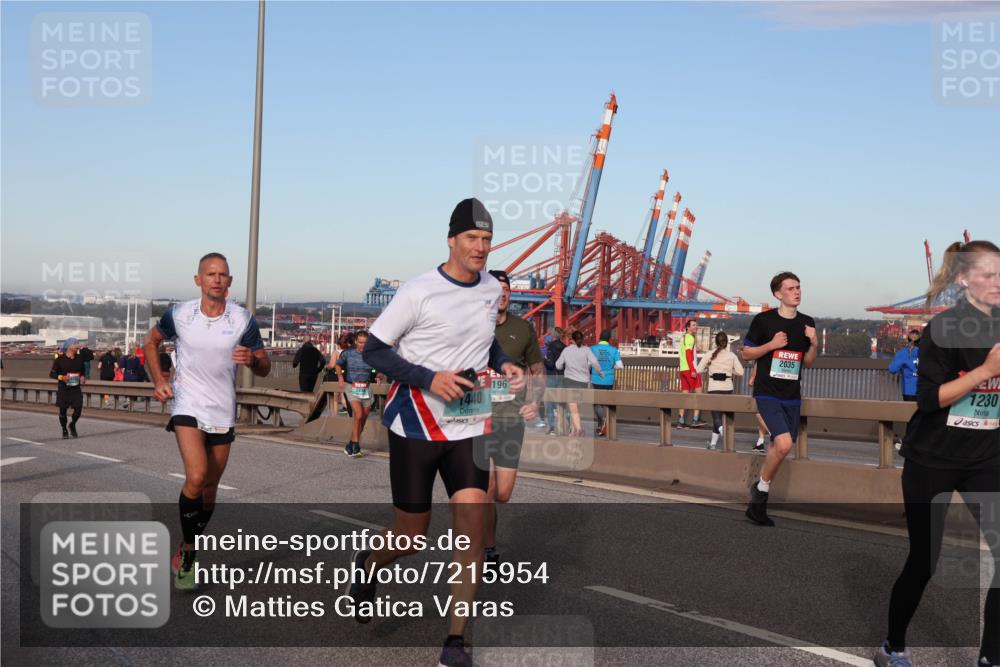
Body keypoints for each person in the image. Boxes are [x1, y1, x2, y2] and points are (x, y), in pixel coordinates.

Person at [352, 198, 524, 667]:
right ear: (451, 240)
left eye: (487, 240)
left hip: (469, 422)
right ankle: (369, 563)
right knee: (412, 535)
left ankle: (454, 642)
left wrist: (503, 362)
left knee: (471, 531)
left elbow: (483, 341)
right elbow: (374, 351)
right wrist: (429, 379)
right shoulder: (418, 291)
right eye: (472, 238)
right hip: (416, 425)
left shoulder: (491, 289)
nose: (481, 247)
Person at [874, 240, 1000, 667]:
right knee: (925, 560)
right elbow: (929, 399)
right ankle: (893, 645)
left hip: (987, 458)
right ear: (963, 278)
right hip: (933, 459)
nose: (997, 282)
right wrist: (985, 372)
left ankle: (991, 655)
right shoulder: (943, 329)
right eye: (987, 273)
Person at [143, 252, 270, 591]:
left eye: (223, 274)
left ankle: (189, 546)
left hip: (222, 410)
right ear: (198, 280)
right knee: (196, 477)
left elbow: (264, 364)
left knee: (210, 491)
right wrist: (158, 380)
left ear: (230, 282)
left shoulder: (243, 320)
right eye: (210, 273)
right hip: (187, 404)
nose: (217, 279)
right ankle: (187, 555)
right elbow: (151, 343)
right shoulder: (179, 315)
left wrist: (253, 361)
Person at [741, 271, 817, 527]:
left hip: (792, 395)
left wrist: (814, 343)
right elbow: (746, 354)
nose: (797, 292)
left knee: (779, 447)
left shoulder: (807, 323)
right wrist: (771, 346)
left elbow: (807, 362)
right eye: (791, 288)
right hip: (767, 392)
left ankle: (758, 499)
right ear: (778, 294)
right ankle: (761, 491)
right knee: (783, 445)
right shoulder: (764, 321)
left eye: (798, 287)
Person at [482, 269, 543, 566]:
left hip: (510, 418)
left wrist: (536, 401)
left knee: (502, 493)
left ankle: (477, 531)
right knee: (486, 486)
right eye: (496, 288)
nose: (502, 293)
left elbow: (538, 371)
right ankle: (486, 548)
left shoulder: (523, 328)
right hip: (476, 418)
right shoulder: (474, 325)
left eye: (506, 289)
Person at [696, 331, 745, 450]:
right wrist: (729, 372)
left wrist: (708, 369)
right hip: (727, 388)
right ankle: (712, 444)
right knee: (721, 417)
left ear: (715, 342)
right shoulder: (731, 356)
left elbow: (698, 370)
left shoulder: (709, 354)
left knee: (716, 417)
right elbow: (741, 372)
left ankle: (723, 432)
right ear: (726, 342)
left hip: (714, 388)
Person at [335, 330, 376, 457]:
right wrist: (340, 378)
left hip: (366, 387)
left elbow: (376, 369)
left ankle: (351, 443)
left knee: (362, 418)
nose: (362, 345)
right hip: (351, 386)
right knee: (358, 414)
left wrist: (378, 375)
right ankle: (357, 446)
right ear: (356, 342)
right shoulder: (348, 354)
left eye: (365, 342)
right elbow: (338, 365)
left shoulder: (371, 355)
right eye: (360, 342)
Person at [556, 330, 604, 437]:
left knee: (573, 406)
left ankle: (579, 429)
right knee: (576, 406)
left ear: (571, 339)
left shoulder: (566, 350)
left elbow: (558, 365)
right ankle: (574, 431)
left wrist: (564, 366)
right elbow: (595, 362)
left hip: (570, 381)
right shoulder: (587, 350)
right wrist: (600, 373)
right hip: (583, 381)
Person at [888, 328, 921, 450]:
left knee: (911, 417)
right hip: (926, 389)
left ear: (908, 339)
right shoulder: (928, 353)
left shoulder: (904, 353)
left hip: (910, 390)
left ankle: (908, 441)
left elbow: (892, 369)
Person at [49, 337, 85, 438]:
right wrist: (62, 377)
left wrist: (82, 376)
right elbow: (52, 374)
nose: (77, 346)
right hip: (64, 389)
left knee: (78, 409)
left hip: (76, 388)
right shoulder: (60, 360)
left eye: (78, 344)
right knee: (63, 411)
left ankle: (72, 424)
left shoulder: (79, 358)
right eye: (75, 344)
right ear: (69, 346)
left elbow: (82, 371)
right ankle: (64, 429)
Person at [591, 329, 623, 437]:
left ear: (599, 337)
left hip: (596, 378)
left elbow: (588, 363)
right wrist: (611, 367)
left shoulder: (593, 349)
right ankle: (603, 426)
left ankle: (602, 422)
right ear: (609, 339)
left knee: (596, 403)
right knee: (606, 402)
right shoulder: (614, 350)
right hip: (609, 379)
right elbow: (620, 366)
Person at [676, 319, 707, 428]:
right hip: (690, 369)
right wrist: (693, 370)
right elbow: (689, 355)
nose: (696, 327)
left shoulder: (683, 337)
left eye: (696, 325)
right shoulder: (690, 338)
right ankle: (695, 419)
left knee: (684, 395)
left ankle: (680, 421)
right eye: (693, 325)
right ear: (688, 327)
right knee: (699, 394)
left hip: (683, 369)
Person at [543, 327, 570, 435]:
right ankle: (570, 424)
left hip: (552, 377)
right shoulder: (565, 347)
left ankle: (552, 428)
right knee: (563, 402)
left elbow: (550, 364)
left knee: (550, 403)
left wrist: (543, 359)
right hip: (562, 377)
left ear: (553, 335)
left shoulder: (550, 347)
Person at [746, 362, 771, 453]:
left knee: (758, 413)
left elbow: (757, 367)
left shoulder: (763, 356)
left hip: (763, 387)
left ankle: (774, 433)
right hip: (774, 388)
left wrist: (752, 378)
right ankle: (760, 442)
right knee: (763, 416)